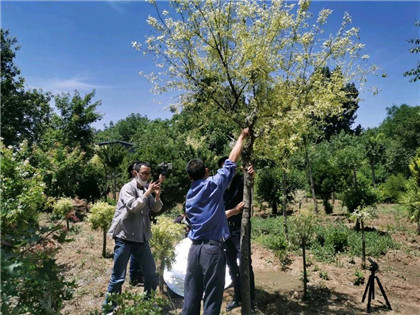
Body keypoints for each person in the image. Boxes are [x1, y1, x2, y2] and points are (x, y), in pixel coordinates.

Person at [182, 128, 249, 315]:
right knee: (212, 296)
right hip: (212, 250)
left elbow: (211, 217)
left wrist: (233, 211)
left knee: (191, 295)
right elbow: (231, 161)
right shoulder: (213, 184)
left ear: (189, 177)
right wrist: (242, 136)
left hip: (194, 250)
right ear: (206, 171)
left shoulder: (189, 196)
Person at [103, 161, 163, 312]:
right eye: (144, 173)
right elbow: (134, 207)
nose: (147, 176)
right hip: (124, 237)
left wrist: (156, 195)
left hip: (141, 239)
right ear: (135, 173)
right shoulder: (127, 188)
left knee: (150, 274)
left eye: (149, 173)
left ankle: (147, 304)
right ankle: (109, 309)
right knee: (118, 277)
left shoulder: (145, 188)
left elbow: (156, 208)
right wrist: (148, 193)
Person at [218, 156, 256, 312]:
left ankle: (250, 301)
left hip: (240, 228)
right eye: (224, 169)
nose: (228, 172)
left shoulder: (241, 180)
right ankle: (238, 296)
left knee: (245, 263)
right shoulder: (219, 184)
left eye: (230, 168)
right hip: (225, 229)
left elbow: (250, 184)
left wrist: (251, 176)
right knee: (231, 264)